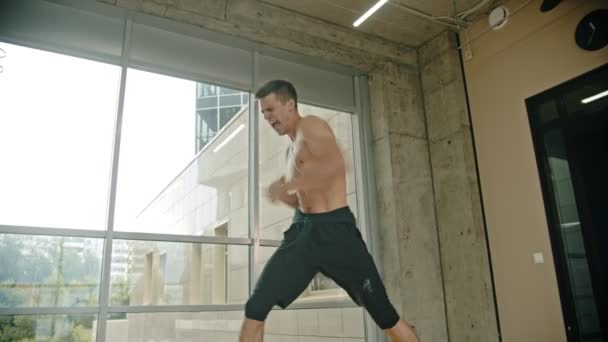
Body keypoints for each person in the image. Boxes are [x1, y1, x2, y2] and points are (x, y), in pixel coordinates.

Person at [239, 80, 420, 342]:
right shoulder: (289, 151)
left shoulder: (311, 125)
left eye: (270, 109)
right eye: (263, 112)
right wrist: (283, 195)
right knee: (256, 307)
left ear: (290, 105)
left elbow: (337, 164)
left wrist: (288, 185)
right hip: (303, 232)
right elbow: (305, 200)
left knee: (385, 315)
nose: (267, 117)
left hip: (337, 233)